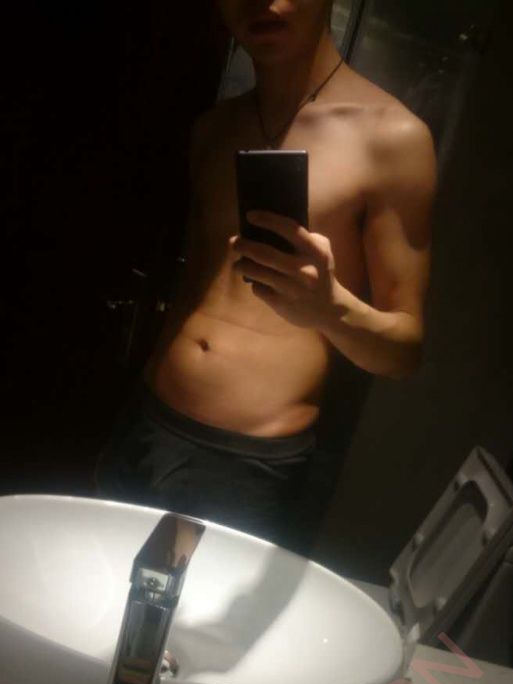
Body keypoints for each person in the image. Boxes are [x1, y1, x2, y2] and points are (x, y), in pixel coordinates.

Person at [96, 0, 436, 551]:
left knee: (194, 611)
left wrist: (330, 308)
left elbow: (405, 351)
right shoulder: (213, 128)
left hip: (245, 462)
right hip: (150, 422)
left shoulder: (392, 138)